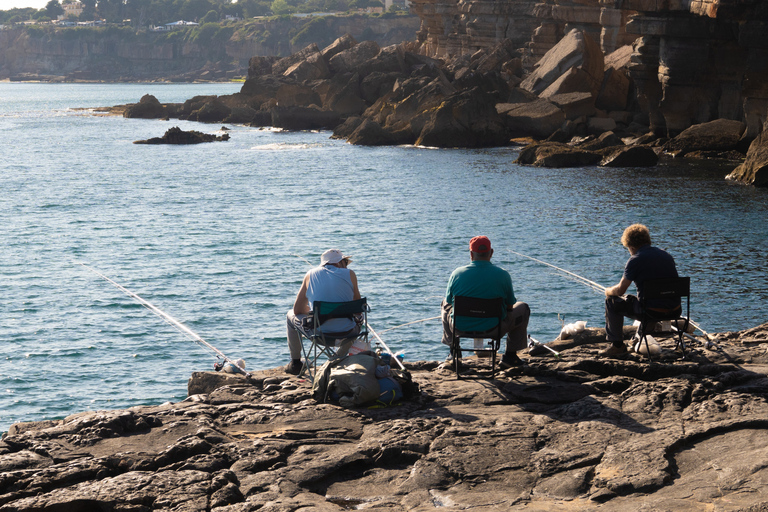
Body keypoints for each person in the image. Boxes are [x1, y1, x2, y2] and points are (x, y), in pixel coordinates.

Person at [442, 236, 530, 369]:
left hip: (460, 328)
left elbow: (449, 301)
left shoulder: (456, 274)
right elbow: (510, 305)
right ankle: (510, 356)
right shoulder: (503, 275)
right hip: (494, 329)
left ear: (471, 254)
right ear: (491, 253)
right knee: (523, 308)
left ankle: (453, 352)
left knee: (445, 303)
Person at [600, 224, 679, 358]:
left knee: (611, 301)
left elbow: (620, 290)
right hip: (675, 309)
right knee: (652, 300)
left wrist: (608, 291)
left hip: (650, 311)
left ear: (630, 245)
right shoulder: (666, 255)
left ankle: (617, 346)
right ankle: (638, 339)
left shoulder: (635, 260)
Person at [284, 249, 362, 375]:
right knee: (359, 319)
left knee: (290, 315)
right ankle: (337, 359)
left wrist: (313, 312)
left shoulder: (310, 274)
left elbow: (297, 310)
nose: (346, 265)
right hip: (348, 334)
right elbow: (358, 309)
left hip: (320, 334)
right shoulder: (350, 274)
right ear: (339, 262)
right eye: (345, 262)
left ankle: (296, 363)